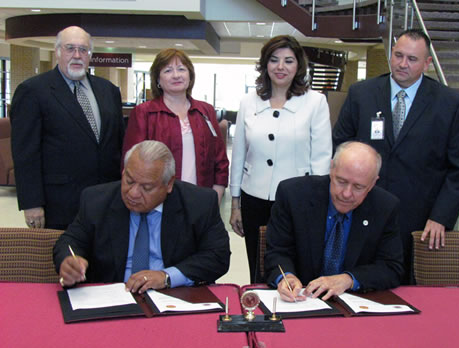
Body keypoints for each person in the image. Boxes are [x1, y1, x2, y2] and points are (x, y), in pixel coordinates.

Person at [332, 29, 459, 284]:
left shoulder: (451, 104)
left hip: (419, 217)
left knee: (408, 285)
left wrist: (442, 216)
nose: (402, 64)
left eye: (412, 59)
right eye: (398, 55)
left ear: (427, 63)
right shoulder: (362, 93)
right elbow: (341, 143)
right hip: (364, 205)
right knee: (359, 280)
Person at [53, 140, 230, 293]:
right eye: (129, 181)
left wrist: (167, 276)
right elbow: (70, 241)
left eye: (146, 188)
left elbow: (218, 256)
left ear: (169, 184)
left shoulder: (199, 203)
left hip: (173, 296)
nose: (133, 193)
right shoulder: (96, 200)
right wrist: (69, 260)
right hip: (112, 297)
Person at [230, 35, 332, 283]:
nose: (280, 67)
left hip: (299, 201)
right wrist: (235, 203)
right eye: (274, 60)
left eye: (288, 60)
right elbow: (240, 153)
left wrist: (318, 205)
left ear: (298, 66)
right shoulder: (248, 101)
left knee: (296, 265)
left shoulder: (315, 102)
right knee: (258, 265)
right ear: (265, 64)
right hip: (254, 198)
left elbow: (322, 157)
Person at [10, 26, 124, 230]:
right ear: (58, 52)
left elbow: (117, 143)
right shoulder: (33, 91)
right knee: (64, 260)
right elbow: (26, 153)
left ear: (90, 55)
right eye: (70, 48)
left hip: (107, 199)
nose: (77, 55)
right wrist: (31, 203)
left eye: (83, 50)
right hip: (60, 203)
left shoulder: (109, 91)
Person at [265, 142, 404, 301]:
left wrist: (349, 279)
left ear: (373, 183)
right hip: (302, 300)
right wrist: (286, 277)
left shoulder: (385, 207)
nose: (346, 193)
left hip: (353, 304)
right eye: (341, 181)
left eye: (358, 187)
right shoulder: (293, 195)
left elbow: (391, 267)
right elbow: (277, 252)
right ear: (331, 169)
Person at [122, 49, 228, 204]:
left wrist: (216, 194)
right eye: (168, 70)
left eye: (181, 69)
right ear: (158, 79)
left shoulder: (205, 111)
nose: (176, 75)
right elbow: (131, 163)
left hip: (200, 198)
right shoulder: (144, 112)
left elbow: (220, 158)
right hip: (156, 201)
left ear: (190, 75)